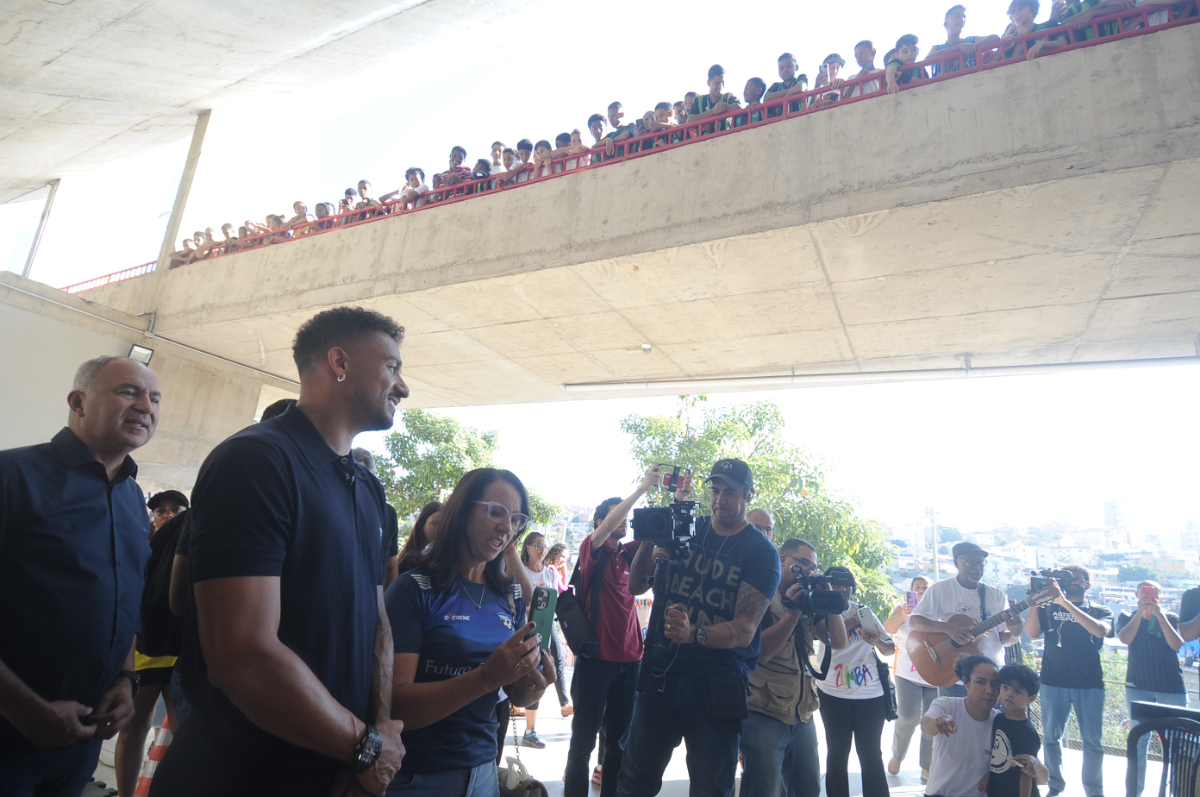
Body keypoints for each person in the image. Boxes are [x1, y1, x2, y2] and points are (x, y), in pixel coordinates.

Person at [150, 307, 409, 796]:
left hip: (333, 768)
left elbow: (377, 620)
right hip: (239, 775)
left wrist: (374, 737)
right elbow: (243, 654)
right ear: (340, 362)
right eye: (392, 366)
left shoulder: (367, 488)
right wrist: (365, 747)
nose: (403, 386)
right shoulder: (256, 461)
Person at [0, 355, 160, 795]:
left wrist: (124, 681)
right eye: (129, 391)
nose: (147, 406)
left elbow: (124, 601)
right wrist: (26, 711)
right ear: (78, 402)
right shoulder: (13, 477)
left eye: (155, 398)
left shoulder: (132, 501)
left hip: (81, 741)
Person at [385, 468, 557, 797]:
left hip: (483, 771)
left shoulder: (511, 596)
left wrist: (533, 689)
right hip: (415, 776)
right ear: (462, 512)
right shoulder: (413, 589)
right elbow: (394, 706)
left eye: (517, 518)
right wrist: (485, 677)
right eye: (496, 511)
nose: (507, 526)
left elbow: (513, 694)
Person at [617, 458, 781, 797]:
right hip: (661, 674)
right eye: (715, 491)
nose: (720, 500)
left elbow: (746, 629)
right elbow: (634, 587)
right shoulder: (687, 526)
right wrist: (651, 538)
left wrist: (695, 633)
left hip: (717, 684)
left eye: (730, 493)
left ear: (748, 494)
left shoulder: (760, 551)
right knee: (634, 783)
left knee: (711, 789)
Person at [564, 468, 659, 797]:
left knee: (618, 744)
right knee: (582, 744)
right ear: (600, 521)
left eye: (626, 517)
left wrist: (676, 498)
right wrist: (642, 488)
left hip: (631, 661)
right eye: (617, 516)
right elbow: (606, 527)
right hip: (596, 660)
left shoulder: (630, 553)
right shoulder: (593, 550)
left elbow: (655, 537)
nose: (624, 521)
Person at [738, 538, 848, 797]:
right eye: (804, 564)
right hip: (764, 711)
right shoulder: (763, 594)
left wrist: (828, 594)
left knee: (808, 789)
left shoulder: (809, 599)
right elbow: (760, 654)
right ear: (782, 560)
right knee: (763, 790)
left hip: (803, 712)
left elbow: (839, 641)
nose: (809, 571)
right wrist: (793, 613)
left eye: (813, 567)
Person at [116, 508, 190, 796]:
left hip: (180, 649)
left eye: (175, 509)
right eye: (162, 510)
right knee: (134, 727)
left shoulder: (196, 524)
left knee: (183, 734)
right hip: (148, 644)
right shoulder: (151, 540)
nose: (169, 514)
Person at [1023, 565, 1112, 797]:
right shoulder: (1048, 608)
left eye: (1078, 579)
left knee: (1092, 742)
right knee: (1051, 739)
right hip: (1054, 681)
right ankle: (1055, 786)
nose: (1073, 582)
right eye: (1069, 579)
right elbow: (1032, 633)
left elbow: (1101, 631)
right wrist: (1034, 604)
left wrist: (1065, 603)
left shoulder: (1100, 609)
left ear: (1087, 585)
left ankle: (1094, 791)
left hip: (1089, 684)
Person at [815, 566, 895, 797]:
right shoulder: (821, 611)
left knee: (870, 753)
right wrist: (850, 622)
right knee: (838, 753)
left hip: (870, 695)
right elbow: (829, 638)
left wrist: (877, 641)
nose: (843, 589)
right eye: (837, 585)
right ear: (828, 587)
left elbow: (890, 649)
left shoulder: (864, 611)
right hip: (832, 694)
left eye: (847, 584)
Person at [910, 541, 1022, 695]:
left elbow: (1004, 639)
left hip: (993, 677)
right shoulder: (940, 590)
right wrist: (948, 628)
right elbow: (915, 621)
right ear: (956, 563)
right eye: (971, 563)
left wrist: (1015, 633)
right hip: (956, 679)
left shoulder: (996, 595)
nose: (977, 567)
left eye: (981, 563)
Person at [1116, 580, 1187, 796]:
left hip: (1170, 687)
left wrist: (1159, 615)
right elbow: (1124, 638)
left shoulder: (1170, 618)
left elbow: (1177, 644)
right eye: (1143, 592)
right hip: (1138, 686)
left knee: (1177, 744)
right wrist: (1139, 614)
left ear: (1160, 597)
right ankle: (1134, 793)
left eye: (1152, 593)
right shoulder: (1126, 618)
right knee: (1138, 741)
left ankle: (1177, 791)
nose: (1147, 596)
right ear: (1136, 595)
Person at [518, 530, 572, 748]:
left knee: (538, 676)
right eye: (537, 545)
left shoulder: (550, 574)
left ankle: (530, 730)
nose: (542, 549)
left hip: (544, 631)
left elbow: (554, 601)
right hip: (522, 631)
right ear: (528, 547)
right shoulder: (519, 572)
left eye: (544, 545)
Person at [921, 655, 1002, 797]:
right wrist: (938, 723)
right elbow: (926, 724)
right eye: (981, 682)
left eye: (995, 684)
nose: (989, 690)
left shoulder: (1000, 722)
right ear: (966, 682)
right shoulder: (947, 705)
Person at [886, 575, 935, 781]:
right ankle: (898, 754)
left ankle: (928, 765)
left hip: (934, 674)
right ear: (911, 591)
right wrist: (903, 615)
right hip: (907, 673)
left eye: (925, 588)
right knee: (907, 716)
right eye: (918, 588)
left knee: (932, 721)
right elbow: (887, 629)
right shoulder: (902, 608)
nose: (922, 591)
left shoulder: (938, 610)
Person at [981, 664, 1049, 797]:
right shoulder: (998, 719)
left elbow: (1027, 771)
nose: (1009, 694)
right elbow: (996, 757)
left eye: (1017, 691)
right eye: (1005, 687)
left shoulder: (1026, 732)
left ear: (1031, 698)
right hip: (998, 789)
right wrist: (989, 778)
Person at [352, 448, 402, 588]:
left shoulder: (388, 512)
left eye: (366, 477)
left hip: (374, 598)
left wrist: (384, 604)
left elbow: (392, 566)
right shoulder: (334, 507)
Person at [928, 5, 1000, 74]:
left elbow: (995, 38)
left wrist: (974, 46)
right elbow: (927, 60)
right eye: (957, 16)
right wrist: (958, 47)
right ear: (946, 24)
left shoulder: (970, 41)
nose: (961, 19)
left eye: (963, 17)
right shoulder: (938, 48)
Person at [690, 65, 741, 134]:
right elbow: (689, 121)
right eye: (717, 83)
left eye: (722, 83)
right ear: (709, 82)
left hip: (725, 140)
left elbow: (737, 107)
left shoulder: (728, 97)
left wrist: (712, 119)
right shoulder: (699, 100)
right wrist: (712, 112)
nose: (720, 87)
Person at [397, 502, 443, 575]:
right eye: (435, 523)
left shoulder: (446, 560)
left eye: (444, 524)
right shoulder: (408, 561)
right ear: (421, 525)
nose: (440, 528)